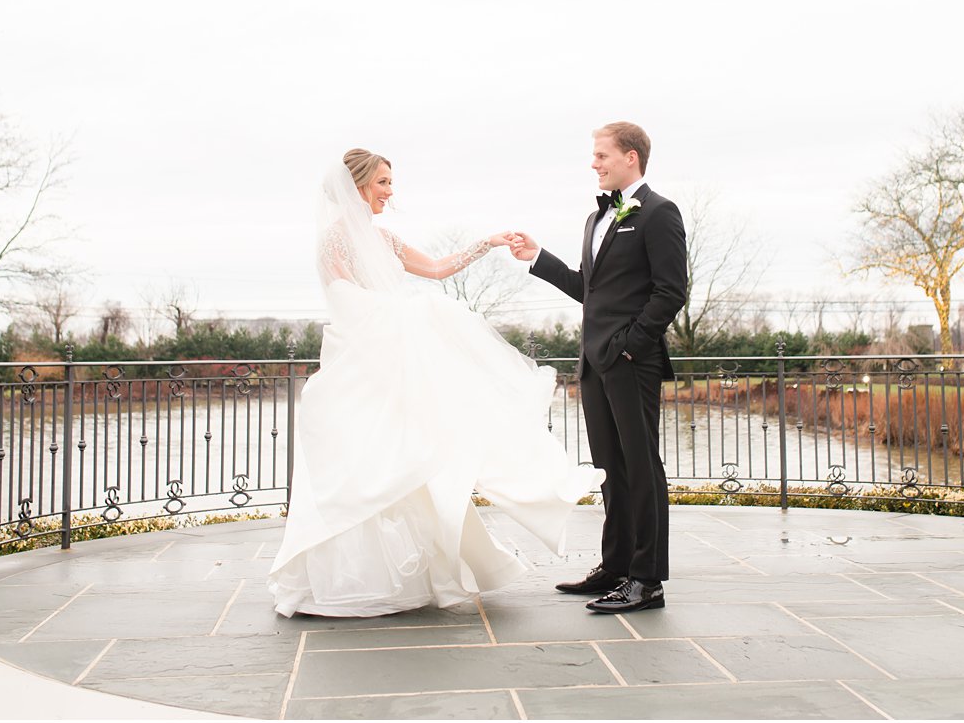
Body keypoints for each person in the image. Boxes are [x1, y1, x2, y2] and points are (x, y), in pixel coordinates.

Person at [267, 149, 603, 617]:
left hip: (395, 363)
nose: (390, 191)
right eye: (383, 182)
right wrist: (410, 317)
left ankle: (412, 576)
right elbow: (345, 301)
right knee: (369, 464)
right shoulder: (333, 242)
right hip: (363, 366)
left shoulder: (383, 238)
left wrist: (487, 243)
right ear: (358, 185)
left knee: (410, 457)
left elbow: (439, 268)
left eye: (391, 182)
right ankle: (354, 580)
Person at [507, 122, 687, 614]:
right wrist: (538, 257)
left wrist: (631, 344)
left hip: (631, 362)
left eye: (602, 155)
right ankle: (616, 567)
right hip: (593, 364)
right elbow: (588, 287)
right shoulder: (595, 219)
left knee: (642, 468)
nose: (595, 162)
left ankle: (647, 581)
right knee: (612, 471)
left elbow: (671, 292)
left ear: (631, 157)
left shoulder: (659, 213)